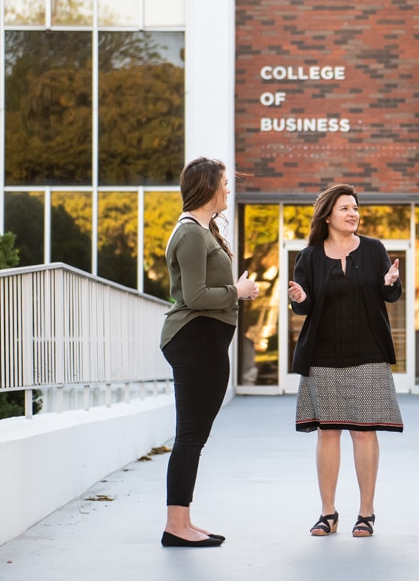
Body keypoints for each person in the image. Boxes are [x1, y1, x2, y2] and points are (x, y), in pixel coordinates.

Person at [287, 184, 404, 538]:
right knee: (328, 432)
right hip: (323, 355)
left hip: (367, 353)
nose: (353, 213)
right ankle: (327, 513)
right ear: (327, 215)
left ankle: (366, 513)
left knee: (364, 433)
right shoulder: (309, 256)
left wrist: (390, 282)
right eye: (345, 209)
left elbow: (390, 294)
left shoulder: (373, 249)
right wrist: (300, 297)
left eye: (355, 208)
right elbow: (303, 305)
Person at [158, 157, 259, 548]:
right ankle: (175, 526)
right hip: (194, 339)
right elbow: (192, 296)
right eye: (224, 183)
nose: (229, 189)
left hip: (206, 340)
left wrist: (235, 289)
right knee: (189, 436)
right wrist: (239, 291)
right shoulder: (189, 234)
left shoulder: (203, 230)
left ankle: (182, 520)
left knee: (194, 436)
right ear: (207, 187)